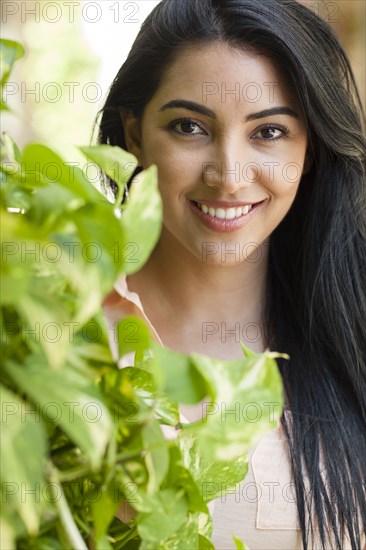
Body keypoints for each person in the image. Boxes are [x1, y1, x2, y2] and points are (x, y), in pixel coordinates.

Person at [99, 0, 366, 548]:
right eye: (189, 126)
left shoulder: (353, 325)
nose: (228, 175)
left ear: (309, 148)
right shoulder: (52, 332)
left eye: (269, 132)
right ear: (133, 134)